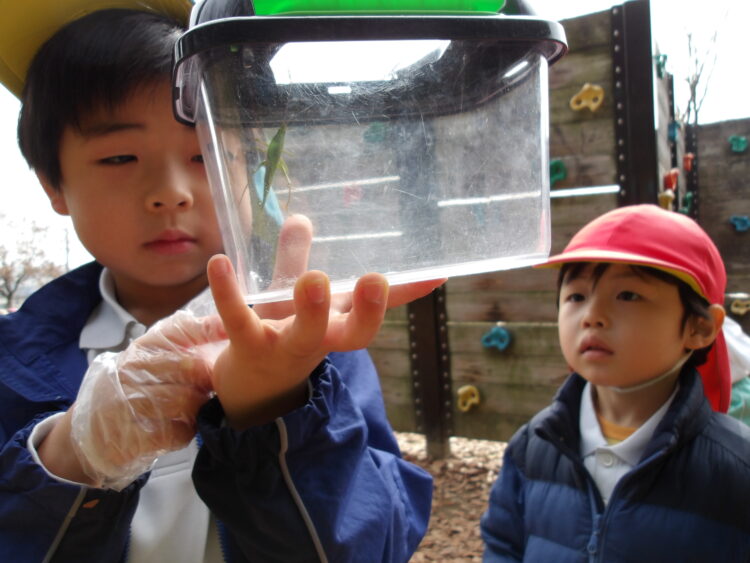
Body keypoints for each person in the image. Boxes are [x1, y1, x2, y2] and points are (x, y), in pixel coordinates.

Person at [0, 4, 442, 561]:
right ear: (52, 183)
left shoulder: (308, 340)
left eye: (204, 154)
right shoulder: (11, 362)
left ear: (250, 172)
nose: (171, 193)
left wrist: (277, 405)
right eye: (119, 157)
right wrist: (70, 453)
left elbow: (377, 544)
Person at [481, 204, 750, 562]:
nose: (592, 316)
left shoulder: (737, 471)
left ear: (699, 328)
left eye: (628, 295)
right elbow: (503, 546)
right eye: (576, 296)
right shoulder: (533, 447)